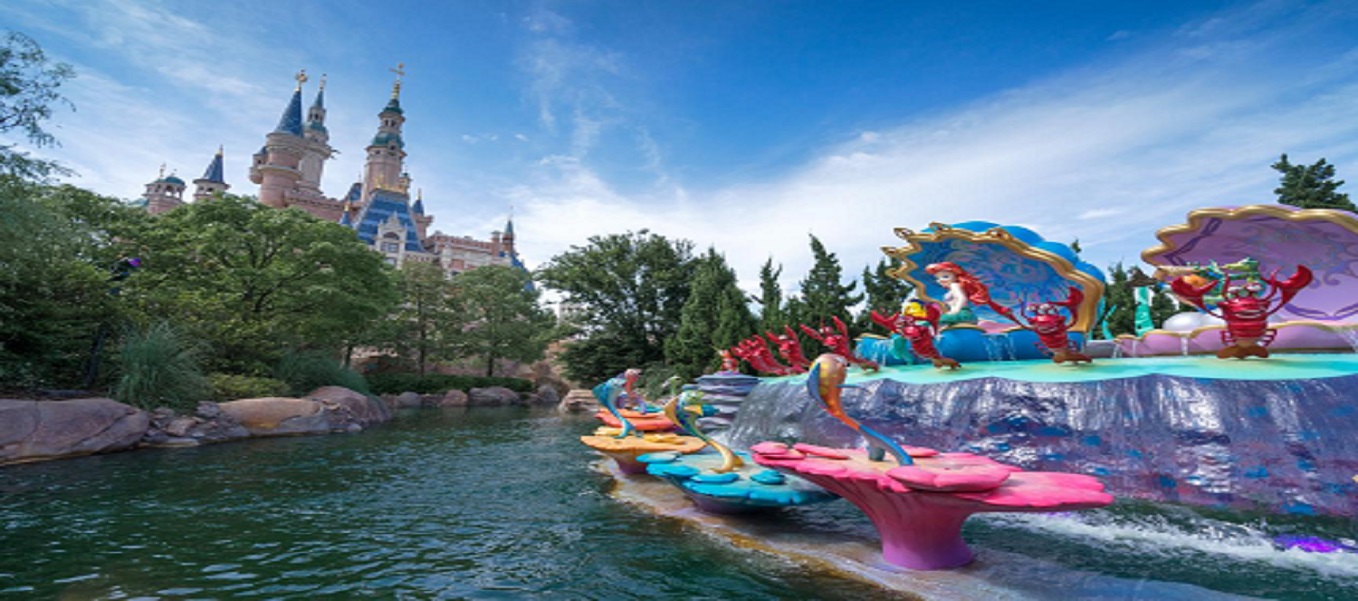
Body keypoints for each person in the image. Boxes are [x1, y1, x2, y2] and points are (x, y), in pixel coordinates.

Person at [924, 261, 1003, 326]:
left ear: (955, 276)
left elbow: (962, 298)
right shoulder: (952, 289)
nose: (940, 280)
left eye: (945, 276)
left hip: (960, 313)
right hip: (957, 312)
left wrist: (956, 310)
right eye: (937, 278)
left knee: (941, 323)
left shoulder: (954, 285)